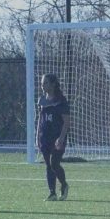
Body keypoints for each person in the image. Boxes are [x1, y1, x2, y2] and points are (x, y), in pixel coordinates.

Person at [36, 73, 71, 201]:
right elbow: (40, 119)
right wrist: (37, 136)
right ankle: (52, 193)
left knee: (54, 163)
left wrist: (61, 137)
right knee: (48, 165)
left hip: (57, 137)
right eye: (41, 83)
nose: (42, 86)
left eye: (45, 83)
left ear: (53, 84)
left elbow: (66, 121)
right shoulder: (42, 100)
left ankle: (64, 185)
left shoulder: (61, 101)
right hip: (45, 136)